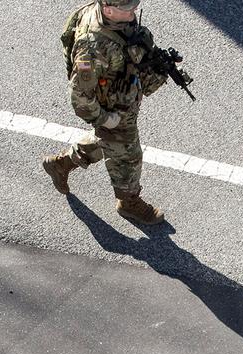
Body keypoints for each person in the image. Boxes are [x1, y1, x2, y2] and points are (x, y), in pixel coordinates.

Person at [42, 0, 170, 225]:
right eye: (128, 9)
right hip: (110, 107)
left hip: (122, 94)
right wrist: (105, 119)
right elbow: (80, 97)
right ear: (109, 10)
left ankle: (61, 164)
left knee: (108, 141)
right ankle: (129, 203)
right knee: (129, 154)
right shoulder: (91, 49)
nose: (134, 12)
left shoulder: (113, 17)